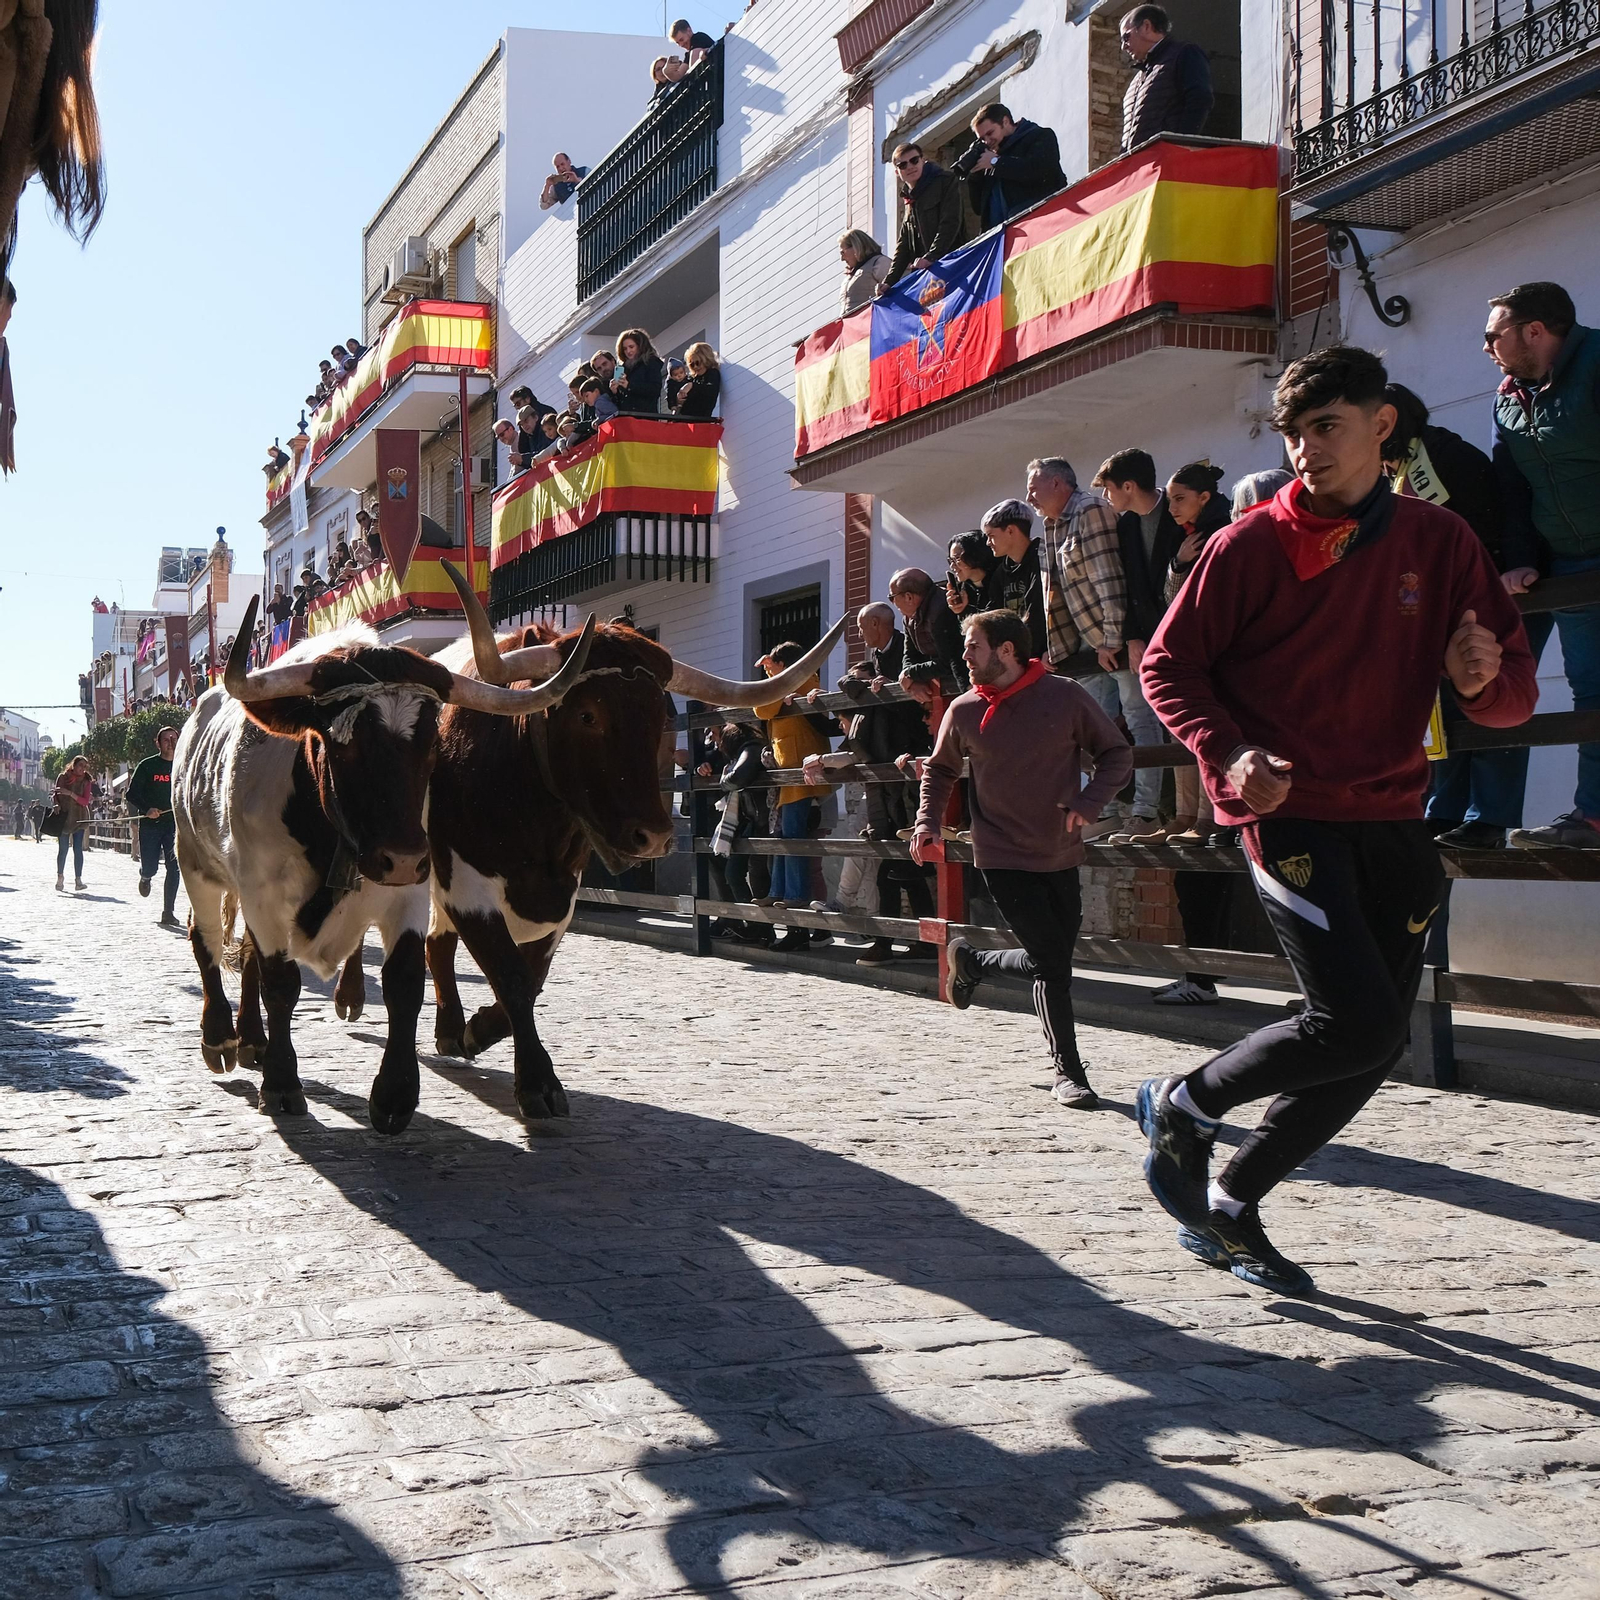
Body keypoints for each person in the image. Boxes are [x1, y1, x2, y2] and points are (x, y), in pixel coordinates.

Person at [1138, 344, 1538, 1295]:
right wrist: (1231, 754)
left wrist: (1479, 681)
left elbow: (1511, 696)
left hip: (1397, 812)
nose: (1306, 449)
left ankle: (1232, 1202)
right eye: (1293, 433)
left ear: (1381, 426)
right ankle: (1185, 1102)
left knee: (1376, 1040)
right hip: (1289, 812)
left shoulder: (1442, 542)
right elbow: (1167, 667)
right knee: (1353, 1023)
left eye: (1326, 428)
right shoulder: (1247, 545)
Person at [924, 610, 1133, 1108]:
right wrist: (926, 823)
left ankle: (973, 961)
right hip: (1000, 852)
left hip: (1060, 851)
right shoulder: (964, 709)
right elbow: (940, 769)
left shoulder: (1065, 696)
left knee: (1051, 957)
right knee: (1052, 965)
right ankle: (1069, 1072)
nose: (964, 655)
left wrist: (1090, 802)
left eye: (973, 646)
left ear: (1007, 650)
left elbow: (1117, 753)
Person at [1485, 281, 1600, 851]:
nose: (1486, 348)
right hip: (1569, 563)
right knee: (1591, 689)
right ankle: (1593, 818)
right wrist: (1523, 562)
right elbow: (1512, 489)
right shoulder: (1506, 397)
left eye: (1493, 336)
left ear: (1534, 331)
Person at [1379, 382, 1515, 851]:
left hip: (1480, 601)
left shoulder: (1445, 457)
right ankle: (1445, 811)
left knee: (1491, 703)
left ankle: (1488, 818)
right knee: (1444, 712)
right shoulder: (1398, 472)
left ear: (1388, 423)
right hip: (1435, 612)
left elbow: (1478, 531)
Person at [1026, 456, 1151, 836]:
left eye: (1033, 488)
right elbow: (1055, 595)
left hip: (1112, 639)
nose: (1029, 497)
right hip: (1083, 644)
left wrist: (1111, 639)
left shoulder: (1089, 510)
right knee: (1096, 729)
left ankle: (1146, 811)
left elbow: (1109, 579)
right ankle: (1106, 810)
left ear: (1058, 483)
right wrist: (1055, 648)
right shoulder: (1051, 524)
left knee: (1139, 717)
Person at [753, 642, 832, 948]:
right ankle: (779, 891)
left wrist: (778, 683)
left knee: (794, 834)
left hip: (801, 769)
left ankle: (795, 894)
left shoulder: (806, 678)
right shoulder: (783, 684)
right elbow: (762, 707)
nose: (770, 673)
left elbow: (768, 703)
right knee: (783, 834)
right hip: (786, 772)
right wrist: (774, 681)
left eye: (774, 667)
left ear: (786, 665)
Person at [1120, 4, 1214, 152]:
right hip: (1140, 163)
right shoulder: (1137, 79)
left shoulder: (1184, 53)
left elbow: (1200, 99)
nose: (1123, 46)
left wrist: (1179, 147)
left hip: (1166, 158)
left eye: (1126, 37)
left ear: (1146, 26)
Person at [958, 102, 1065, 230]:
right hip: (1003, 235)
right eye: (982, 139)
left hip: (1039, 225)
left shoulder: (1039, 136)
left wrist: (996, 162)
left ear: (1005, 121)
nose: (987, 141)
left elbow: (1039, 171)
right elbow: (979, 209)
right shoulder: (990, 157)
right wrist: (976, 176)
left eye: (990, 133)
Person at [883, 143, 968, 290]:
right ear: (897, 172)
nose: (910, 167)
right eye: (903, 165)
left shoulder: (944, 181)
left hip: (953, 265)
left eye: (914, 160)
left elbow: (950, 222)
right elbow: (904, 244)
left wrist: (931, 256)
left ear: (923, 160)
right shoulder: (909, 198)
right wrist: (889, 281)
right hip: (930, 277)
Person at [127, 725, 182, 926]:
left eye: (174, 739)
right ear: (158, 743)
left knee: (174, 868)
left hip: (174, 826)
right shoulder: (147, 765)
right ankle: (145, 876)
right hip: (150, 825)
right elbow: (131, 794)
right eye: (166, 739)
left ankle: (168, 912)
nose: (171, 743)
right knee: (151, 867)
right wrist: (147, 809)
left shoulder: (184, 765)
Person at [979, 499, 1048, 659]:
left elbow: (1038, 613)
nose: (988, 543)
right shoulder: (1000, 573)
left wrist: (1047, 649)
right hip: (1019, 658)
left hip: (1046, 655)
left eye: (991, 536)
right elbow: (993, 616)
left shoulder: (1042, 559)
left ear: (1010, 530)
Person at [890, 567, 965, 697]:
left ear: (908, 597)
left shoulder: (942, 611)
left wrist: (911, 674)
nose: (893, 603)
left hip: (963, 682)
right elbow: (910, 654)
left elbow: (947, 663)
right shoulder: (909, 618)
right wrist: (912, 680)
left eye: (892, 597)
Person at [52, 756, 95, 892]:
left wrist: (70, 793)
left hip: (79, 818)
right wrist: (56, 804)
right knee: (63, 849)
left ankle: (78, 880)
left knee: (78, 849)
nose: (82, 769)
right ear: (74, 765)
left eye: (85, 766)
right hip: (64, 818)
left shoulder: (86, 781)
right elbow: (55, 795)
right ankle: (60, 877)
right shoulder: (62, 777)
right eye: (80, 765)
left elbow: (85, 801)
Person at [942, 531, 997, 624]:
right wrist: (960, 610)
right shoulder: (962, 590)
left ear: (974, 556)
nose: (952, 566)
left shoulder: (1000, 580)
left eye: (957, 559)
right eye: (950, 560)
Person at [838, 230, 891, 314]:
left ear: (856, 246)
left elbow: (896, 291)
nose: (842, 258)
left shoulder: (879, 262)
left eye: (843, 252)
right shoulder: (849, 277)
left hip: (872, 320)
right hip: (853, 322)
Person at [613, 329, 664, 415]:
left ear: (640, 346)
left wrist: (629, 386)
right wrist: (615, 391)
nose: (628, 351)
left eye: (631, 347)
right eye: (625, 349)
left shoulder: (651, 363)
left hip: (645, 416)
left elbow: (654, 389)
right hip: (628, 417)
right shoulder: (625, 368)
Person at [673, 343, 721, 417]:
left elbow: (711, 391)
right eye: (692, 365)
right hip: (686, 419)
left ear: (706, 360)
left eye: (698, 363)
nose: (695, 367)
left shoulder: (712, 373)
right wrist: (679, 400)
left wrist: (691, 386)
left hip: (700, 420)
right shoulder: (692, 378)